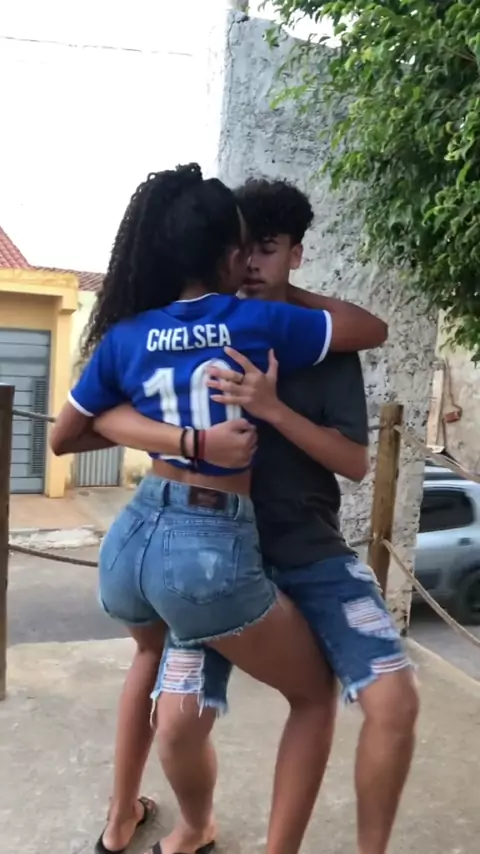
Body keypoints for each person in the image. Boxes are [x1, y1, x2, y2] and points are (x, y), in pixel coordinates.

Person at [51, 166, 389, 854]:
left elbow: (66, 437)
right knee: (314, 693)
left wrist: (175, 438)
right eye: (247, 248)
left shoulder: (128, 334)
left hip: (131, 544)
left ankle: (119, 821)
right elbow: (370, 327)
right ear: (230, 257)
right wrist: (204, 442)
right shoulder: (258, 322)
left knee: (147, 659)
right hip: (203, 549)